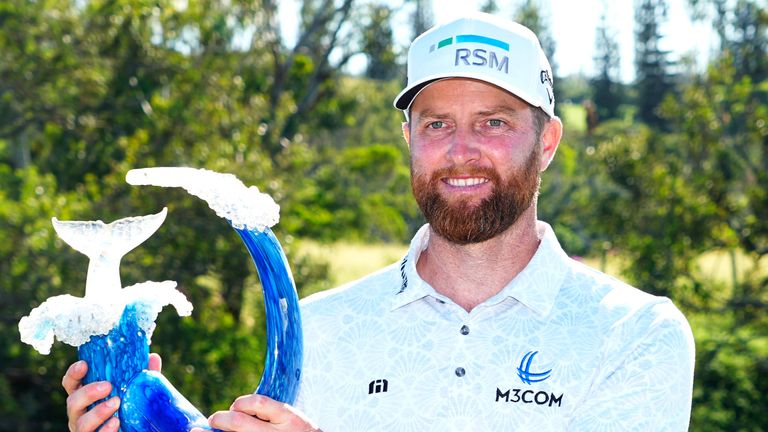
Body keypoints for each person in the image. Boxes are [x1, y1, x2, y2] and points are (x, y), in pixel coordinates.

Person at [62, 12, 695, 431]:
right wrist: (135, 414)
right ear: (409, 138)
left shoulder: (635, 334)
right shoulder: (318, 327)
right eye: (437, 123)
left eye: (494, 122)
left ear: (548, 141)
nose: (461, 150)